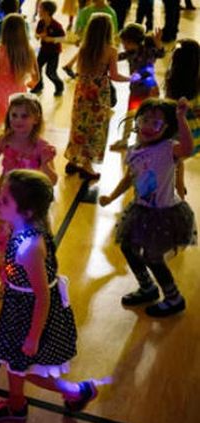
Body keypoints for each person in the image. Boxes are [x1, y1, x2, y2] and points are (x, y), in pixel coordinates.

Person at [0, 169, 100, 422]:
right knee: (16, 365)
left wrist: (33, 337)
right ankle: (17, 404)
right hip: (20, 305)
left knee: (24, 367)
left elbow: (42, 297)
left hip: (30, 311)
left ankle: (76, 391)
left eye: (5, 200)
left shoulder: (30, 247)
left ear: (28, 211)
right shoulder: (25, 228)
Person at [99, 98, 196, 317]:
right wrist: (111, 197)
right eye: (144, 119)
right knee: (127, 246)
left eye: (156, 123)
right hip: (141, 210)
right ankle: (147, 287)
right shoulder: (134, 150)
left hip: (164, 214)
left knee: (153, 257)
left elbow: (188, 148)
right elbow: (129, 178)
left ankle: (174, 299)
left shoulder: (168, 149)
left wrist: (181, 117)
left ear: (167, 129)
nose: (147, 127)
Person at [0, 93, 56, 298]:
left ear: (36, 118)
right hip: (6, 199)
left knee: (29, 243)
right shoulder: (5, 140)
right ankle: (6, 280)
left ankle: (31, 278)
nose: (18, 120)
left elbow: (52, 180)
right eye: (14, 115)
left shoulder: (42, 147)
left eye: (24, 116)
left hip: (30, 203)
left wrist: (46, 163)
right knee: (3, 241)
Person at [64, 13, 130, 180]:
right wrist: (131, 78)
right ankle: (87, 165)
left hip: (82, 90)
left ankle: (73, 159)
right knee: (95, 128)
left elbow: (73, 68)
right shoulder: (111, 50)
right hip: (99, 93)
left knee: (79, 124)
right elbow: (114, 75)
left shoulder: (84, 47)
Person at [110, 24, 165, 151]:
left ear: (134, 41)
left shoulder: (148, 50)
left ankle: (144, 142)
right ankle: (124, 140)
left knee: (148, 117)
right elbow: (115, 58)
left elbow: (160, 54)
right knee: (130, 115)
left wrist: (158, 43)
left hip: (149, 90)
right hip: (135, 90)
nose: (124, 46)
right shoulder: (129, 53)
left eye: (126, 43)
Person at [0, 13, 39, 138]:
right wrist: (29, 84)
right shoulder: (28, 50)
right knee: (15, 121)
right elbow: (36, 77)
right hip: (18, 91)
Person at [164, 39, 200, 198]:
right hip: (195, 138)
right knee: (178, 159)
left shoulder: (173, 81)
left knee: (172, 158)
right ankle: (180, 186)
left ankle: (178, 191)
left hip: (181, 135)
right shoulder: (196, 83)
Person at [31, 1, 65, 97]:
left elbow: (63, 37)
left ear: (46, 11)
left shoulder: (56, 25)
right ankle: (38, 86)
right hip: (44, 50)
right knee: (37, 68)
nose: (38, 11)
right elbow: (36, 34)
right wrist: (39, 35)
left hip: (54, 52)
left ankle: (59, 87)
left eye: (40, 9)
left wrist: (52, 39)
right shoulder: (41, 23)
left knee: (50, 72)